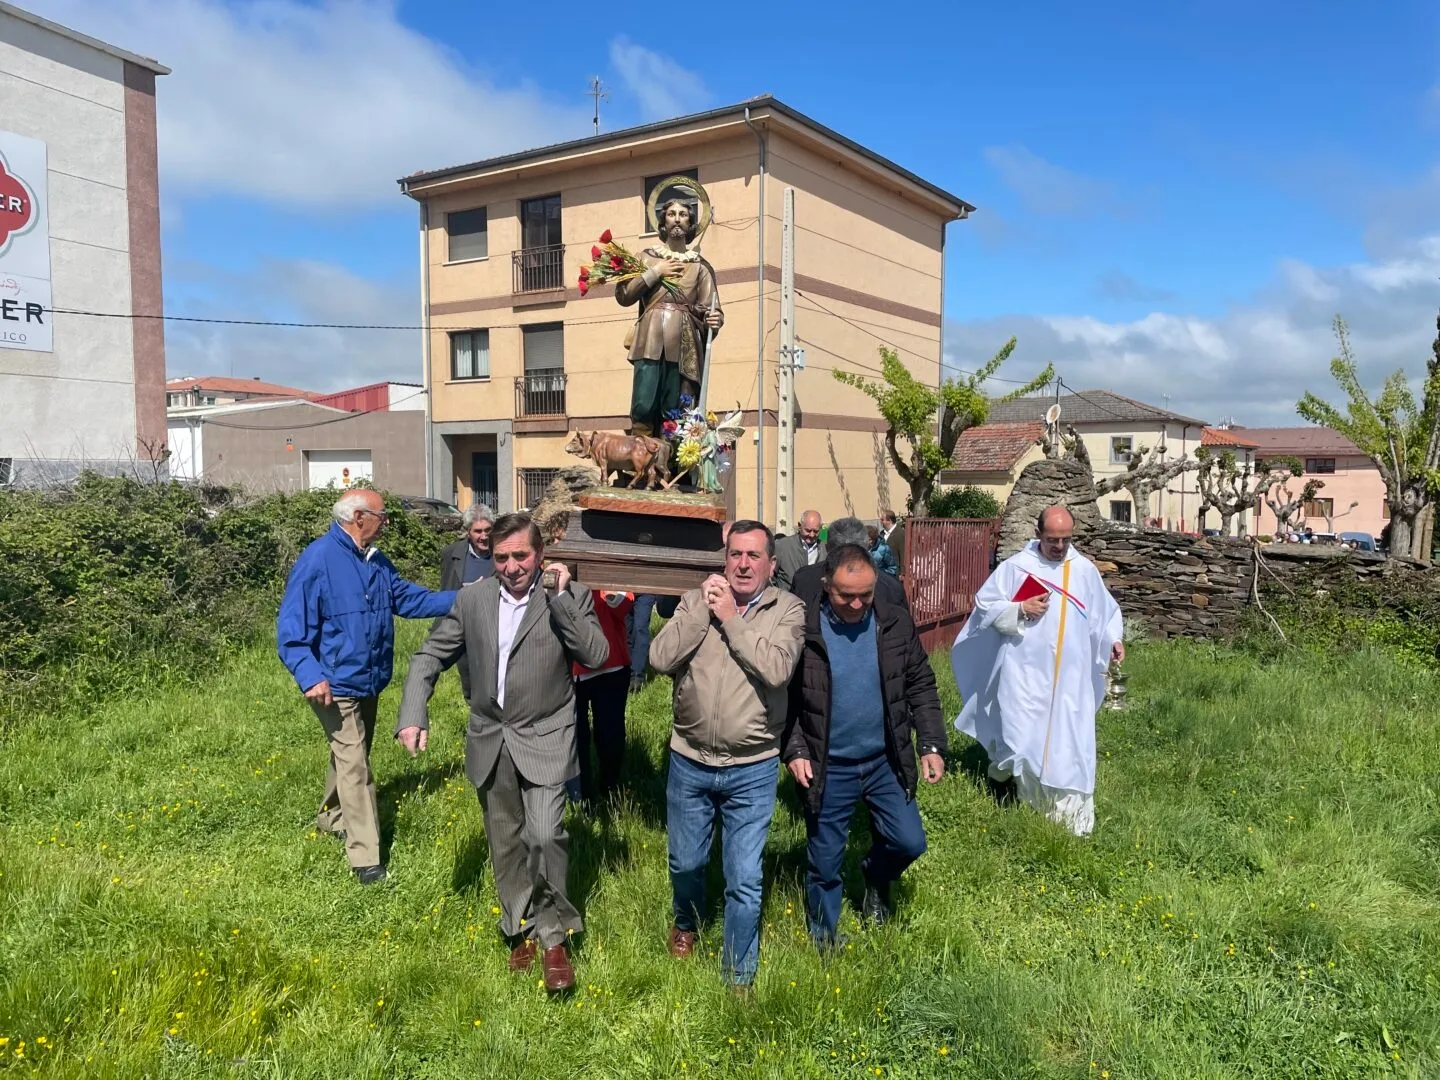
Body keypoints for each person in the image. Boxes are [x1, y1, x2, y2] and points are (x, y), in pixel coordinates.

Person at [394, 513, 608, 992]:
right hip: (491, 737)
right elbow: (429, 655)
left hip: (546, 735)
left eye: (521, 556)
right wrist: (412, 712)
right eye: (502, 557)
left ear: (540, 555)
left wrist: (560, 599)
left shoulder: (568, 597)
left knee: (545, 834)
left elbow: (595, 655)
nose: (512, 567)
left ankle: (554, 937)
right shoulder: (472, 599)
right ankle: (519, 925)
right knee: (506, 841)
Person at [648, 520, 806, 992]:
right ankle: (687, 920)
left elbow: (777, 669)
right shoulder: (697, 601)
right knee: (685, 864)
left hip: (752, 766)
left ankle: (739, 974)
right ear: (725, 559)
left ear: (771, 564)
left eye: (753, 555)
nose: (743, 564)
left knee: (744, 877)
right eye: (735, 554)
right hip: (689, 758)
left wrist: (732, 620)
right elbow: (659, 658)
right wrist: (703, 610)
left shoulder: (788, 609)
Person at [276, 488, 458, 884]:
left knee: (349, 753)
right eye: (382, 515)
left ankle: (331, 816)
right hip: (333, 683)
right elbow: (290, 630)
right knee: (356, 764)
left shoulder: (375, 560)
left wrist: (467, 598)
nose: (387, 521)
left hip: (368, 679)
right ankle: (366, 859)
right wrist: (310, 675)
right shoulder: (318, 559)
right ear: (359, 517)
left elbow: (409, 600)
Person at [784, 545, 947, 946]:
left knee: (909, 841)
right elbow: (783, 697)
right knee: (825, 862)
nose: (857, 604)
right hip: (828, 764)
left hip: (883, 760)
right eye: (846, 595)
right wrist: (796, 749)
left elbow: (920, 683)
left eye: (865, 594)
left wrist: (930, 743)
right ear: (827, 585)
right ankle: (824, 938)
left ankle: (876, 874)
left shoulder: (893, 622)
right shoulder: (803, 628)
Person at [950, 505, 1123, 837]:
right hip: (1023, 674)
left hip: (1070, 679)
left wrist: (1113, 640)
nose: (1059, 546)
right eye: (1052, 539)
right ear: (1038, 533)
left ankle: (1066, 813)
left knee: (1068, 742)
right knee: (1022, 737)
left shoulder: (1083, 570)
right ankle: (1024, 797)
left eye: (1066, 539)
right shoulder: (1016, 568)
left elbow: (1105, 614)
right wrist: (1018, 608)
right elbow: (985, 607)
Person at [615, 198, 724, 437]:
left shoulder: (700, 266)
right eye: (671, 214)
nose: (677, 219)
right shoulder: (645, 258)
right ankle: (641, 452)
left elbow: (711, 307)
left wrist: (714, 319)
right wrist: (656, 272)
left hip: (684, 343)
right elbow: (624, 295)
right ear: (663, 221)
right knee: (644, 402)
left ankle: (674, 455)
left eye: (683, 214)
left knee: (677, 407)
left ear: (690, 223)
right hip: (649, 339)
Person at [569, 588, 634, 807]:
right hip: (568, 668)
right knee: (575, 736)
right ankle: (582, 796)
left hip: (610, 663)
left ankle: (610, 789)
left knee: (610, 736)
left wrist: (608, 591)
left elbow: (624, 605)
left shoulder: (609, 574)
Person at [793, 517, 907, 611]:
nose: (856, 605)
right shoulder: (891, 585)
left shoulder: (804, 578)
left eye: (865, 594)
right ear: (867, 545)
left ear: (827, 547)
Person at [441, 503, 495, 589]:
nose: (484, 537)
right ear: (468, 532)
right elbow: (446, 591)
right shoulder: (451, 554)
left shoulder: (503, 553)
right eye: (478, 531)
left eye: (488, 530)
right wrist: (468, 591)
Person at [774, 510, 825, 592]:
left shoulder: (825, 549)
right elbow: (769, 576)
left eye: (816, 531)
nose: (812, 535)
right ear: (799, 526)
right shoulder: (782, 546)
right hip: (787, 598)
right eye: (808, 530)